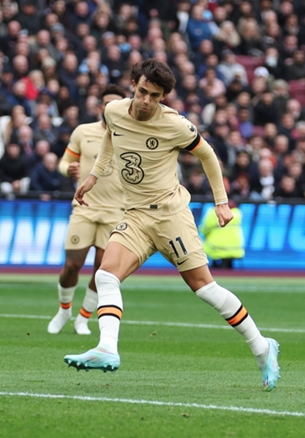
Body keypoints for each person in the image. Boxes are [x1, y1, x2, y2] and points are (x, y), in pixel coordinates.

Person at [64, 59, 280, 391]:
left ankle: (263, 348)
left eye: (156, 95)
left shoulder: (176, 125)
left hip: (171, 215)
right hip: (135, 214)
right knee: (106, 275)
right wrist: (94, 174)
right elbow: (110, 137)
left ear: (164, 96)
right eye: (143, 92)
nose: (147, 101)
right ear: (133, 84)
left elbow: (208, 155)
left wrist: (221, 201)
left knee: (205, 289)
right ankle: (107, 348)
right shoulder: (113, 111)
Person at [47, 84, 127, 335]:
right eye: (107, 103)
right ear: (101, 107)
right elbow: (64, 161)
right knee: (72, 264)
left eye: (116, 103)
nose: (110, 108)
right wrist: (66, 170)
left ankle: (83, 318)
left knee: (103, 270)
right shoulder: (83, 132)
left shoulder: (132, 135)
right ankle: (63, 310)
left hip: (116, 212)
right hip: (84, 207)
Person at [200, 199, 245, 269]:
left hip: (216, 249)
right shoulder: (238, 213)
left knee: (203, 241)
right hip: (236, 249)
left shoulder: (213, 212)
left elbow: (204, 230)